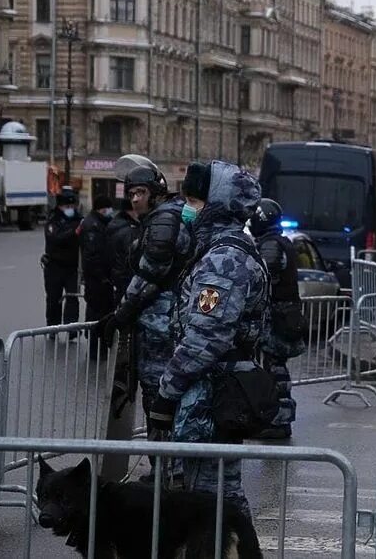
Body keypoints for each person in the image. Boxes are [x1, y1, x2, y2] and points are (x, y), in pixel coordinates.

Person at [146, 161, 268, 517]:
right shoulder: (218, 249)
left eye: (195, 202)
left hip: (210, 396)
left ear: (217, 205)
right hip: (213, 393)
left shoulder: (224, 259)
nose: (187, 208)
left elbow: (205, 340)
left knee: (209, 501)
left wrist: (166, 394)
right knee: (215, 498)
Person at [96, 155, 193, 426]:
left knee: (158, 395)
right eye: (131, 194)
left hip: (161, 326)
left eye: (141, 192)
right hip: (164, 322)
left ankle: (166, 466)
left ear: (155, 193)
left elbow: (149, 274)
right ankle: (165, 465)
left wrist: (120, 314)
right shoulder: (167, 215)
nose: (134, 199)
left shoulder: (163, 220)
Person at [250, 198, 303, 439]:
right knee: (272, 368)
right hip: (282, 315)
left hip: (277, 317)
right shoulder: (277, 241)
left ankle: (279, 421)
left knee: (275, 370)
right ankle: (274, 417)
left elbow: (263, 276)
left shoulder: (271, 245)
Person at [80, 195, 116, 357]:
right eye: (108, 208)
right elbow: (91, 256)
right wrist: (102, 277)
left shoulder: (100, 222)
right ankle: (95, 349)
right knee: (96, 314)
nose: (110, 211)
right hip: (96, 280)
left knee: (101, 312)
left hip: (101, 279)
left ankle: (99, 347)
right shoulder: (92, 225)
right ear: (102, 208)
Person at [43, 187, 82, 331]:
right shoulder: (53, 220)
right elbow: (56, 238)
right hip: (54, 266)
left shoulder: (79, 219)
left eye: (72, 206)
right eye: (67, 206)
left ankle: (71, 329)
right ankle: (52, 328)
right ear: (60, 206)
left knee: (72, 298)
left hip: (72, 267)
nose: (70, 209)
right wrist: (74, 232)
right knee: (54, 298)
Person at [107, 198, 141, 305]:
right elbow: (132, 255)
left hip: (117, 274)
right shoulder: (130, 230)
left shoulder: (115, 224)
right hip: (126, 277)